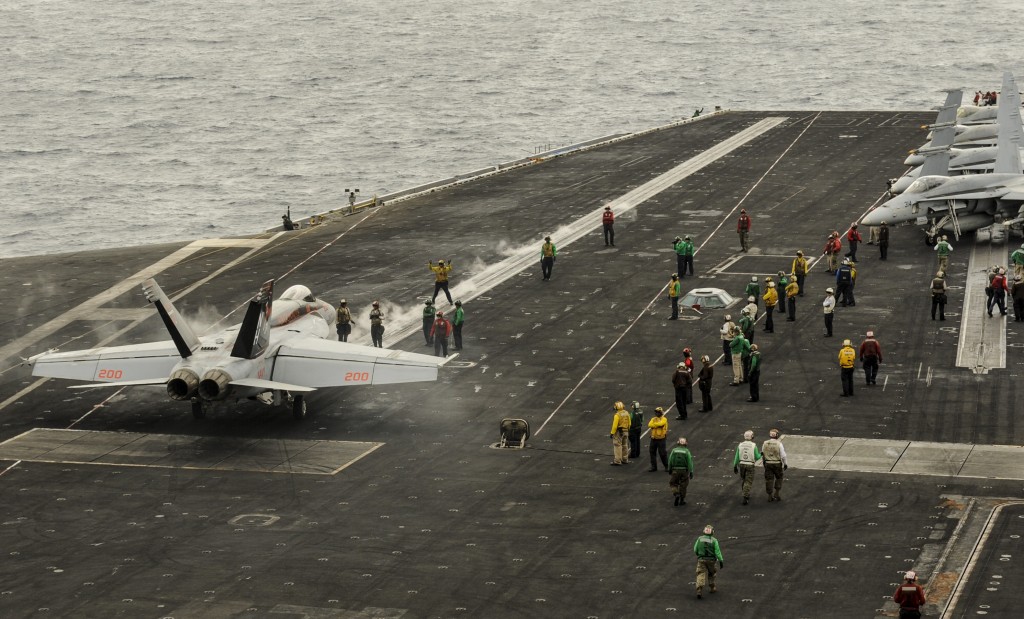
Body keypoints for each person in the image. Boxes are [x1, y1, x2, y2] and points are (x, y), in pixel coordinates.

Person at [694, 525, 724, 599]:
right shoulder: (714, 540)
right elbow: (717, 552)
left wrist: (699, 555)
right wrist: (721, 560)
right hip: (711, 560)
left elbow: (695, 549)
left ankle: (699, 590)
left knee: (700, 573)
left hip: (701, 559)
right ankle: (712, 587)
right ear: (712, 532)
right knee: (712, 573)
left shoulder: (699, 539)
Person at [732, 430, 762, 505]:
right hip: (750, 465)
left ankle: (745, 492)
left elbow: (736, 457)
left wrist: (735, 466)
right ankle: (745, 497)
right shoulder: (753, 445)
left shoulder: (740, 445)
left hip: (741, 464)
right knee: (748, 481)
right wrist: (761, 454)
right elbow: (757, 457)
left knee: (744, 480)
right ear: (752, 436)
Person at [761, 429, 788, 501]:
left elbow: (762, 453)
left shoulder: (765, 443)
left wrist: (764, 462)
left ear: (770, 435)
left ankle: (769, 495)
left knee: (769, 479)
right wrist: (785, 464)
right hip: (777, 463)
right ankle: (777, 492)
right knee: (779, 478)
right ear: (777, 435)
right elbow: (783, 456)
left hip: (768, 463)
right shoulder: (779, 444)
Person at [668, 438, 694, 505]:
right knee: (683, 485)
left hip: (675, 470)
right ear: (686, 444)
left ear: (678, 443)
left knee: (673, 483)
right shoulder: (687, 451)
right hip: (684, 471)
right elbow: (689, 463)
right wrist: (691, 472)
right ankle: (682, 500)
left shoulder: (674, 451)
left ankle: (676, 494)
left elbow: (670, 461)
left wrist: (669, 469)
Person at [648, 407, 669, 471]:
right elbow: (649, 425)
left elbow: (661, 424)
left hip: (661, 439)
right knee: (652, 452)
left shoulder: (664, 419)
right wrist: (657, 425)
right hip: (653, 438)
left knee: (662, 453)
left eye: (658, 412)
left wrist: (654, 425)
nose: (656, 413)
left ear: (661, 413)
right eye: (656, 412)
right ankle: (654, 467)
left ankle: (667, 466)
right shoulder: (653, 419)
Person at [609, 401, 630, 465]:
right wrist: (627, 429)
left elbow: (615, 426)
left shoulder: (617, 415)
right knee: (625, 445)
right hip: (626, 431)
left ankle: (617, 461)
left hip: (619, 432)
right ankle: (625, 459)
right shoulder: (627, 413)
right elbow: (630, 423)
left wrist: (612, 433)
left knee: (617, 445)